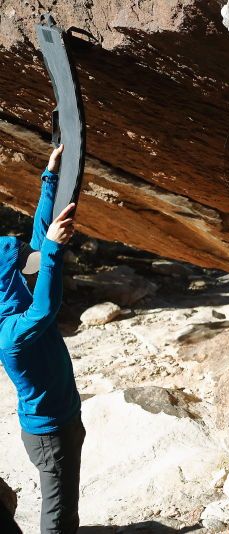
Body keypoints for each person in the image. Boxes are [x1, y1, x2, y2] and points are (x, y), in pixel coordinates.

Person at [0, 144, 84, 534]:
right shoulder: (11, 333)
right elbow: (45, 309)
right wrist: (52, 251)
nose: (24, 258)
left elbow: (36, 245)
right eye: (15, 261)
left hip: (61, 421)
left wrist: (49, 177)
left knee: (65, 508)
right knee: (59, 517)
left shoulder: (10, 306)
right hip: (50, 432)